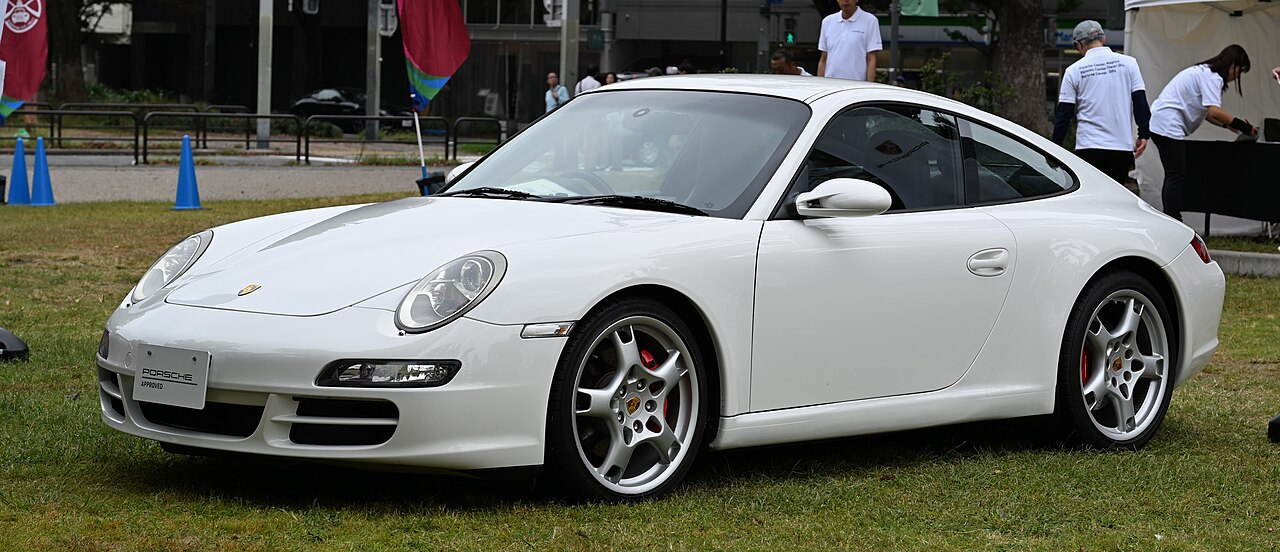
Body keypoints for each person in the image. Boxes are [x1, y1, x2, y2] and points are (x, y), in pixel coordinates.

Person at [1149, 44, 1257, 221]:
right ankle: (1173, 219)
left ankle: (1171, 218)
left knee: (1173, 174)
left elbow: (1207, 113)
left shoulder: (1204, 72)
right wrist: (1245, 128)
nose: (1236, 76)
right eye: (1239, 71)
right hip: (1167, 125)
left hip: (1161, 123)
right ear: (1232, 64)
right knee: (1176, 175)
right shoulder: (1213, 77)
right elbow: (1214, 111)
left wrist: (1227, 126)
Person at [1051, 20, 1151, 187]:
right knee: (1115, 194)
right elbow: (1140, 101)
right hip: (1121, 147)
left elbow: (1064, 114)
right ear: (1103, 39)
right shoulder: (1129, 63)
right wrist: (1143, 133)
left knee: (1091, 196)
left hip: (1088, 146)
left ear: (1078, 44)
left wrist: (1055, 146)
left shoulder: (1074, 71)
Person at [817, 0, 882, 81]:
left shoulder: (870, 21)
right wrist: (820, 83)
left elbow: (871, 58)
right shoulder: (827, 22)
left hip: (856, 86)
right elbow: (824, 57)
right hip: (830, 85)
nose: (845, 1)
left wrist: (869, 87)